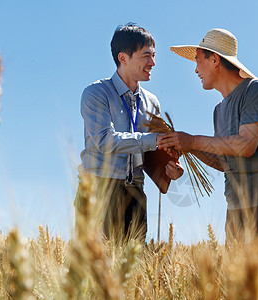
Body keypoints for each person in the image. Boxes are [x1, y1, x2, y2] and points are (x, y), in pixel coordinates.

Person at [158, 28, 258, 244]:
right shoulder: (219, 110)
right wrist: (188, 148)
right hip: (236, 207)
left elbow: (246, 145)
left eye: (197, 60)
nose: (195, 70)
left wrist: (192, 140)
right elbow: (224, 162)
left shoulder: (256, 90)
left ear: (214, 59)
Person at [76, 24, 184, 243]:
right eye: (146, 56)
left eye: (154, 56)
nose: (153, 63)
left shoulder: (152, 102)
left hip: (136, 192)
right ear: (123, 58)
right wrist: (154, 140)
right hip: (99, 189)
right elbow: (105, 141)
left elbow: (149, 153)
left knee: (133, 271)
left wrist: (169, 169)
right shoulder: (96, 93)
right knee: (92, 269)